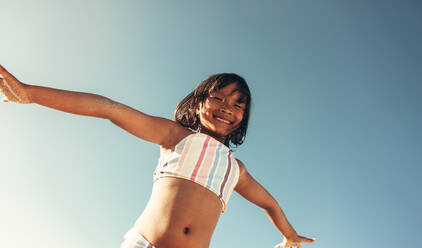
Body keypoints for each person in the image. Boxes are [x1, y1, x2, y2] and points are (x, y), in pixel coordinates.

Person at [0, 64, 315, 248]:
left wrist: (288, 235)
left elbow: (268, 202)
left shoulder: (237, 169)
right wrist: (30, 93)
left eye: (236, 104)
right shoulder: (177, 136)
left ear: (242, 118)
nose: (225, 107)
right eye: (217, 97)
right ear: (197, 104)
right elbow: (109, 108)